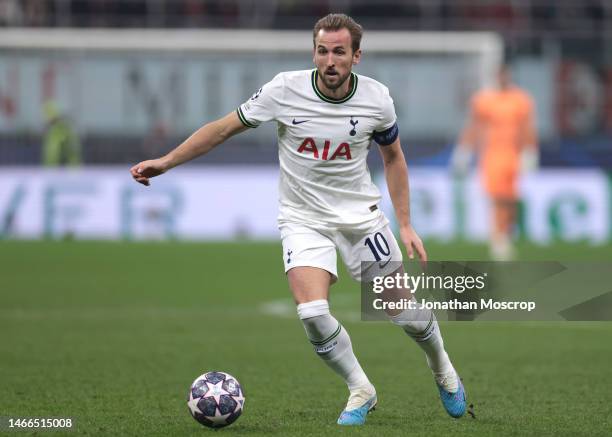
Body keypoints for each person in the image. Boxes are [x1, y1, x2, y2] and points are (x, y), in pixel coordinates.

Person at [131, 13, 466, 425]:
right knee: (312, 312)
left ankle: (443, 370)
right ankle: (360, 389)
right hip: (303, 218)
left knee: (402, 312)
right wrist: (166, 162)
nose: (329, 61)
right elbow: (222, 129)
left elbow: (393, 157)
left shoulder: (377, 99)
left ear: (356, 56)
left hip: (361, 219)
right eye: (322, 51)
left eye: (339, 52)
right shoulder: (284, 90)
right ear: (314, 53)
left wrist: (406, 223)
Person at [452, 65, 538, 260]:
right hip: (492, 154)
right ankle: (498, 238)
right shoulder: (484, 100)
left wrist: (530, 151)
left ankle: (505, 233)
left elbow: (527, 127)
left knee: (510, 198)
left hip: (513, 154)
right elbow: (473, 126)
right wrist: (464, 150)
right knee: (496, 196)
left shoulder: (521, 100)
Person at [42, 101, 81, 167]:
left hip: (64, 169)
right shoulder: (53, 129)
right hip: (54, 168)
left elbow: (68, 150)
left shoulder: (61, 128)